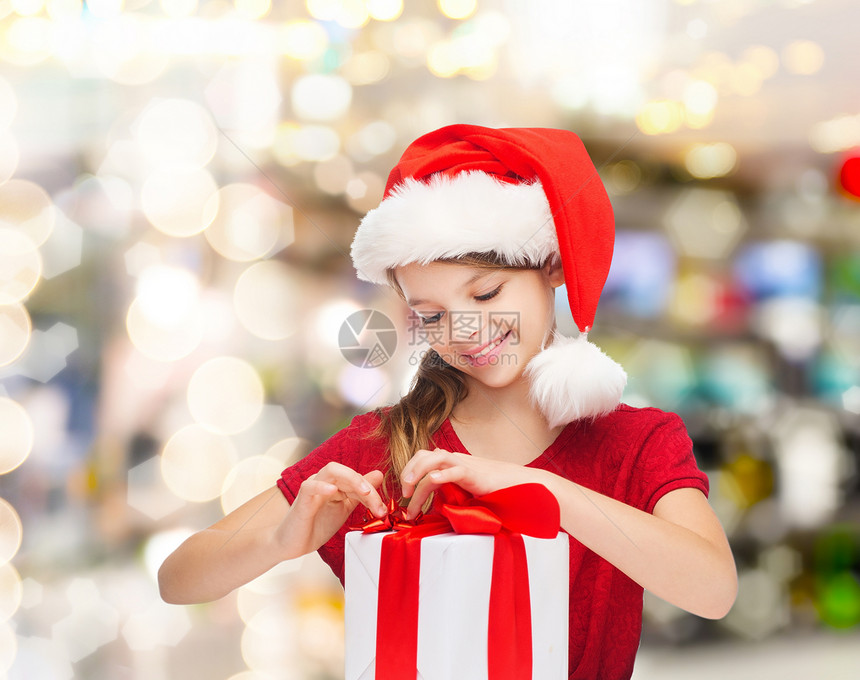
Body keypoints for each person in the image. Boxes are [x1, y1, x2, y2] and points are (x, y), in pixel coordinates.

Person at [159, 125, 738, 679]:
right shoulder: (387, 448)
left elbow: (712, 589)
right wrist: (279, 541)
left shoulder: (634, 442)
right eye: (430, 315)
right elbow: (177, 579)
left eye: (486, 293)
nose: (464, 330)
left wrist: (541, 494)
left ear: (553, 268)